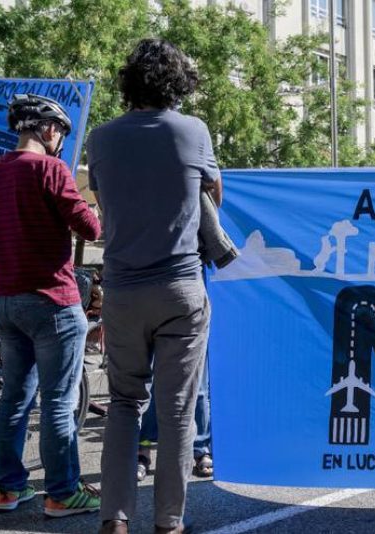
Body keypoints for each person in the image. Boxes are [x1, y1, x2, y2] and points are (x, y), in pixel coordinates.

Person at [88, 38, 222, 534]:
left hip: (122, 288)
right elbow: (214, 196)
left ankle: (114, 519)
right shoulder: (193, 131)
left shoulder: (101, 139)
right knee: (178, 411)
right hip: (180, 287)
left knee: (124, 403)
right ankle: (169, 521)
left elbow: (105, 207)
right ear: (177, 85)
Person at [0, 94, 102, 516]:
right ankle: (63, 492)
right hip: (52, 300)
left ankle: (8, 490)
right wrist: (92, 204)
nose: (59, 140)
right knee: (57, 401)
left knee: (14, 398)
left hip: (7, 299)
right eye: (60, 133)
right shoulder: (52, 169)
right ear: (48, 130)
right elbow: (90, 227)